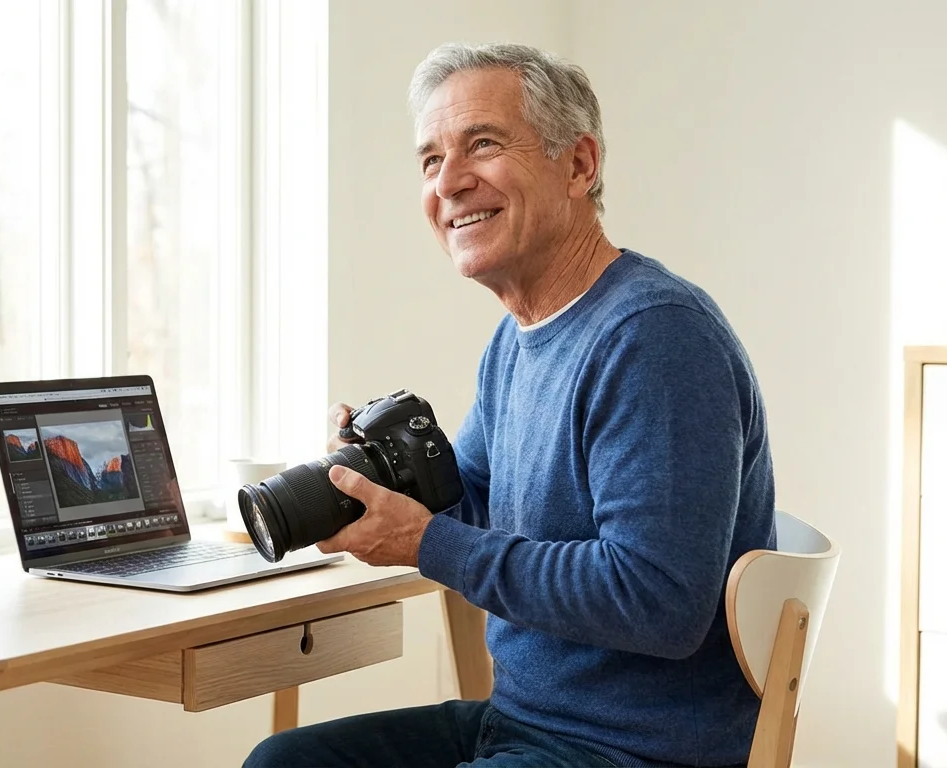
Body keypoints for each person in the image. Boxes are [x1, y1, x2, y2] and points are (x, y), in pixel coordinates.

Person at [243, 42, 776, 768]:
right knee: (283, 763)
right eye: (430, 160)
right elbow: (475, 513)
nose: (450, 181)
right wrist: (383, 490)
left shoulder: (655, 338)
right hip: (523, 722)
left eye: (482, 145)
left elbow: (660, 602)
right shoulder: (516, 340)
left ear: (580, 166)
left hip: (634, 750)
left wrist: (424, 542)